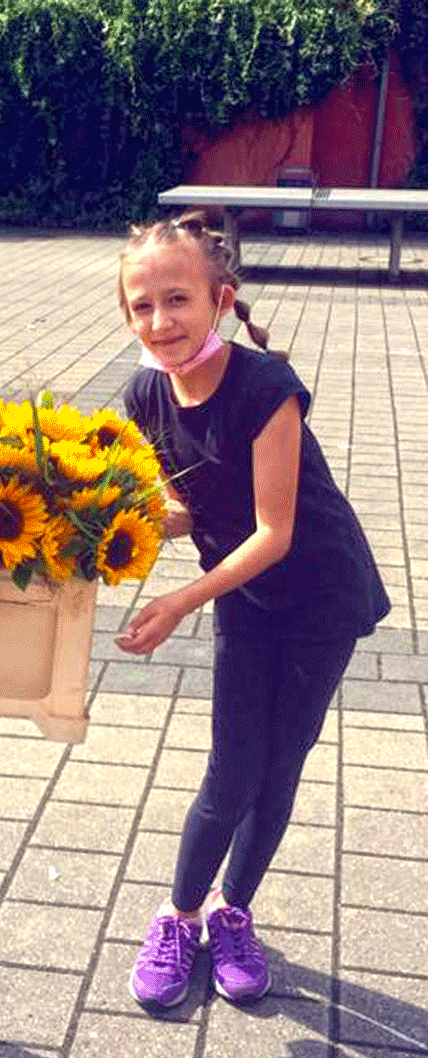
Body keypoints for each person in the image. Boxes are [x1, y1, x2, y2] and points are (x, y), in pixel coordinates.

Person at [117, 214, 389, 1012]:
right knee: (231, 766)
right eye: (143, 306)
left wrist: (176, 601)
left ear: (219, 299)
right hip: (243, 593)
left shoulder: (267, 387)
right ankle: (178, 915)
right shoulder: (143, 391)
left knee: (280, 764)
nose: (161, 322)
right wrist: (102, 525)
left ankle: (234, 913)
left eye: (178, 299)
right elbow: (180, 501)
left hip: (321, 593)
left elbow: (275, 531)